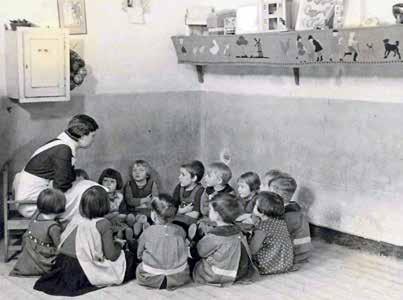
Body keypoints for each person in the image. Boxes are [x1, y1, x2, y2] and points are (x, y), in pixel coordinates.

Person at [34, 186, 137, 297]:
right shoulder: (103, 223)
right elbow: (111, 255)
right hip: (81, 267)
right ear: (105, 204)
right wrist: (118, 245)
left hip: (62, 262)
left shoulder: (76, 218)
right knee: (129, 258)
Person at [14, 114, 98, 218]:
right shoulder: (63, 149)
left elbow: (62, 178)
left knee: (85, 186)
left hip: (34, 197)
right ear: (82, 135)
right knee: (89, 192)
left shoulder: (60, 143)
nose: (93, 140)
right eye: (92, 136)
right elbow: (60, 185)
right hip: (32, 204)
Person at [192, 193, 258, 286]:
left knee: (194, 262)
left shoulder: (214, 236)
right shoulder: (239, 231)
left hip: (218, 275)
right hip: (239, 272)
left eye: (210, 209)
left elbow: (200, 252)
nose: (208, 211)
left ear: (217, 215)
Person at [136, 194, 191, 290]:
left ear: (153, 214)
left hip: (150, 277)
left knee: (139, 268)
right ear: (174, 216)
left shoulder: (148, 231)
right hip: (178, 277)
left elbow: (139, 254)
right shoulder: (180, 230)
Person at [9, 189, 66, 277]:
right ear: (58, 207)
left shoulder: (37, 215)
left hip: (29, 256)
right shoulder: (53, 227)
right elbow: (60, 246)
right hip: (43, 260)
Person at [269, 175, 312, 269]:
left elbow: (275, 235)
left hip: (294, 255)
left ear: (277, 194)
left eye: (270, 192)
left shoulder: (286, 214)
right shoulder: (295, 209)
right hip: (303, 252)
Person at [249, 191, 294, 275]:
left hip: (266, 266)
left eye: (255, 205)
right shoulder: (281, 222)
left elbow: (252, 250)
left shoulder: (262, 227)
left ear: (261, 212)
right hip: (285, 263)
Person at [173, 160, 205, 227]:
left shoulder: (200, 191)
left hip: (191, 221)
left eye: (183, 175)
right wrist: (183, 211)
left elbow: (195, 214)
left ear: (194, 178)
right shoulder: (179, 187)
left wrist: (179, 212)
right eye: (180, 174)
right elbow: (173, 207)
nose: (179, 177)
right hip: (179, 217)